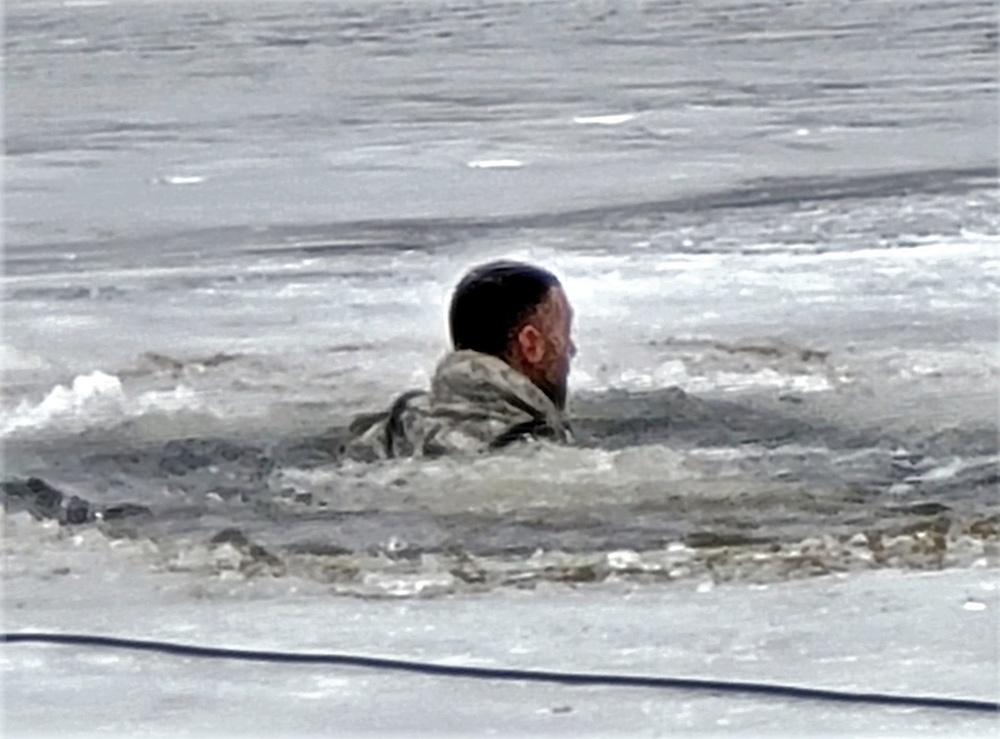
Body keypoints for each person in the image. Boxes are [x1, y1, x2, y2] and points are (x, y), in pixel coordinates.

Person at [345, 260, 577, 460]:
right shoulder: (531, 450)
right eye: (564, 334)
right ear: (531, 344)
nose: (571, 350)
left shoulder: (388, 431)